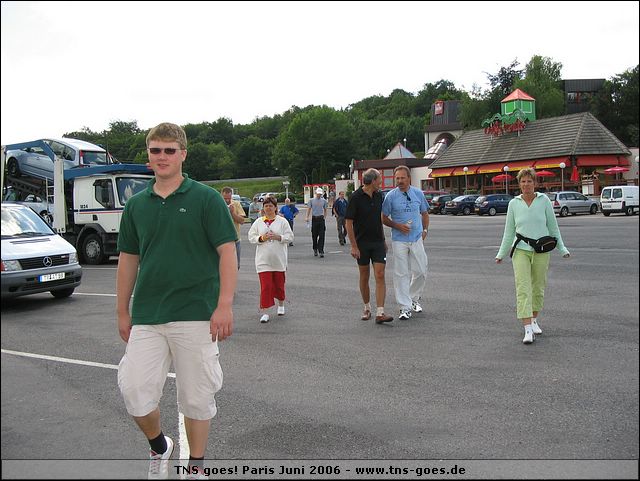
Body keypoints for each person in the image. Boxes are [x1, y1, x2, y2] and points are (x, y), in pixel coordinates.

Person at [116, 122, 237, 480]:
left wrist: (224, 304)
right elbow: (128, 260)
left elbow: (227, 252)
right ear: (148, 156)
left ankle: (196, 466)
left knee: (198, 397)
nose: (162, 156)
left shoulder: (206, 198)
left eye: (170, 150)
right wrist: (122, 310)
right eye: (156, 150)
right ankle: (159, 446)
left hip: (196, 314)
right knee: (135, 390)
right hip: (149, 315)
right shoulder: (136, 205)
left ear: (183, 154)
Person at [495, 167, 570, 344]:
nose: (526, 184)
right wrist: (501, 253)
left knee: (538, 287)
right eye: (523, 181)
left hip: (542, 250)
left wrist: (562, 248)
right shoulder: (514, 203)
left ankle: (534, 319)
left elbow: (553, 228)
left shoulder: (544, 201)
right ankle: (527, 328)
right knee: (523, 287)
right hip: (520, 249)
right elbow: (509, 232)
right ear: (519, 184)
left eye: (529, 181)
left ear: (535, 183)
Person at [382, 165, 430, 321]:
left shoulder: (418, 193)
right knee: (401, 273)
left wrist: (425, 231)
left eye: (402, 178)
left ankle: (413, 298)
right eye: (397, 178)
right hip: (399, 240)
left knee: (421, 271)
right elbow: (383, 217)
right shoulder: (390, 196)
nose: (400, 181)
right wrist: (397, 226)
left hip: (416, 237)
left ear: (409, 178)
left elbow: (424, 213)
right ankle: (405, 307)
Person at [345, 169, 393, 324]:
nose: (381, 182)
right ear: (373, 181)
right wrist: (354, 246)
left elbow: (378, 219)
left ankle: (380, 312)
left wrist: (383, 239)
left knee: (380, 274)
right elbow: (348, 223)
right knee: (364, 276)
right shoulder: (355, 197)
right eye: (379, 179)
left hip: (378, 242)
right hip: (362, 244)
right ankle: (367, 307)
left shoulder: (379, 196)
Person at [248, 195, 294, 323]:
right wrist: (261, 238)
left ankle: (281, 305)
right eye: (266, 206)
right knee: (266, 286)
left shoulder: (282, 221)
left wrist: (278, 237)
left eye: (270, 206)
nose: (268, 208)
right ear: (263, 208)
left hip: (279, 260)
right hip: (263, 261)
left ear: (275, 208)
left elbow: (290, 237)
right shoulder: (258, 222)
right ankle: (265, 311)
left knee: (279, 285)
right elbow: (251, 237)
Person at [221, 187, 246, 269]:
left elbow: (242, 221)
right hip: (221, 240)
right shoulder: (217, 204)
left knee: (236, 266)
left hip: (235, 240)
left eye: (229, 198)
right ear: (221, 196)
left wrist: (232, 213)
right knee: (222, 266)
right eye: (225, 198)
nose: (227, 200)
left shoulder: (236, 204)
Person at [305, 187, 328, 258]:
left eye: (320, 194)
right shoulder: (311, 200)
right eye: (318, 194)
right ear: (316, 193)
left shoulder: (324, 201)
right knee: (314, 235)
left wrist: (324, 217)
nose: (319, 195)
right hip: (314, 218)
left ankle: (321, 250)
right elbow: (309, 209)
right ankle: (315, 248)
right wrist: (307, 217)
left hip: (321, 219)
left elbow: (325, 209)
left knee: (322, 235)